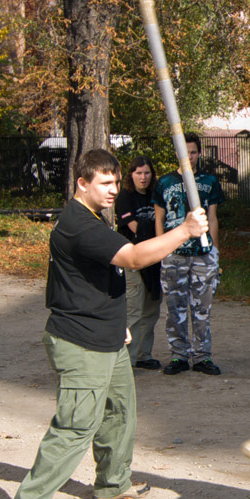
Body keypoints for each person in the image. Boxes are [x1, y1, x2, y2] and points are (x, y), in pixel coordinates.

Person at [5, 149, 208, 499]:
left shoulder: (96, 217)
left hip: (107, 336)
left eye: (117, 182)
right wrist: (184, 231)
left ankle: (112, 483)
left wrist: (119, 327)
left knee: (119, 412)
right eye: (105, 183)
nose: (115, 189)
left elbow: (93, 281)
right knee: (76, 426)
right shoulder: (79, 225)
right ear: (82, 183)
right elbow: (132, 258)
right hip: (80, 343)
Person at [154, 133, 225, 376]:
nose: (189, 157)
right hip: (174, 255)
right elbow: (159, 219)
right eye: (185, 152)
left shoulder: (209, 181)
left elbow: (213, 218)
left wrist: (214, 251)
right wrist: (161, 249)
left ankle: (202, 356)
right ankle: (179, 355)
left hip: (202, 255)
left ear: (199, 153)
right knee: (175, 307)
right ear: (177, 153)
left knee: (202, 309)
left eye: (193, 152)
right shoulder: (164, 183)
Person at [115, 155, 163, 370]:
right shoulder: (125, 197)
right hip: (132, 259)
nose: (143, 177)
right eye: (138, 173)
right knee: (133, 310)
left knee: (151, 309)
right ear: (131, 175)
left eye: (146, 173)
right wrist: (159, 234)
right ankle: (127, 360)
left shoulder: (155, 195)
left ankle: (144, 354)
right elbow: (135, 228)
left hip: (154, 259)